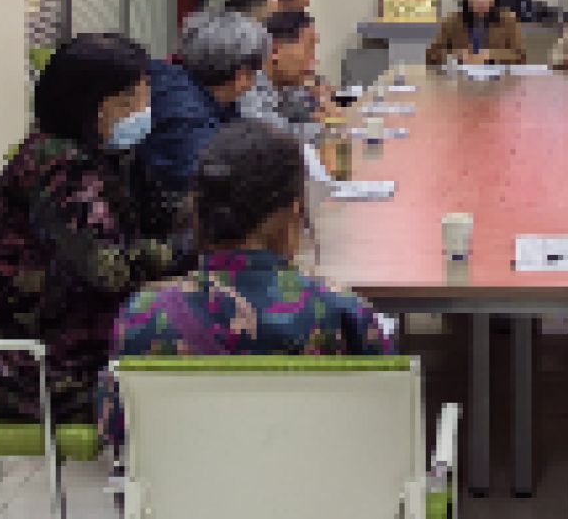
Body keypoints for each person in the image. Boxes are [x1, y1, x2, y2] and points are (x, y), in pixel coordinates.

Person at [98, 120, 394, 446]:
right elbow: (382, 427)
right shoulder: (343, 313)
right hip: (315, 491)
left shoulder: (143, 316)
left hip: (188, 495)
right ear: (294, 212)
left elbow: (115, 431)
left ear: (197, 212)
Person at [0, 34, 188, 424]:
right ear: (97, 108)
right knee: (192, 377)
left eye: (145, 95)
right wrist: (188, 249)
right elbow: (111, 268)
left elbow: (150, 220)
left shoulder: (96, 154)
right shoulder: (59, 168)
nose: (145, 110)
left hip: (63, 348)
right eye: (133, 100)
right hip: (31, 372)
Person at [138, 10, 270, 202]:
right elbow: (213, 188)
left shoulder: (184, 82)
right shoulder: (185, 115)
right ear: (242, 75)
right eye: (255, 72)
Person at [239, 10, 324, 142]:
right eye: (309, 47)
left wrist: (320, 103)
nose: (315, 60)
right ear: (274, 51)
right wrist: (326, 127)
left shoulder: (284, 84)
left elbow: (305, 114)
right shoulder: (248, 87)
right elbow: (278, 139)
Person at [426, 0, 526, 65]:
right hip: (460, 78)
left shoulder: (508, 21)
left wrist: (491, 55)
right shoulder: (453, 21)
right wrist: (456, 55)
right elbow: (432, 55)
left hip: (498, 79)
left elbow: (519, 56)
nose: (480, 0)